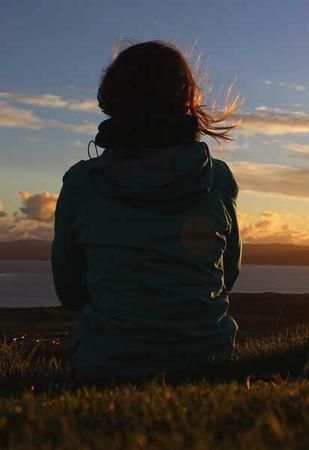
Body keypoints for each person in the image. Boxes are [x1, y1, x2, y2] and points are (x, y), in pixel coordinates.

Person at [51, 41, 241, 382]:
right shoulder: (218, 179)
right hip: (209, 362)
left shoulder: (81, 183)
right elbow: (227, 276)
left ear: (111, 100)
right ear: (186, 100)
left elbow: (69, 292)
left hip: (105, 367)